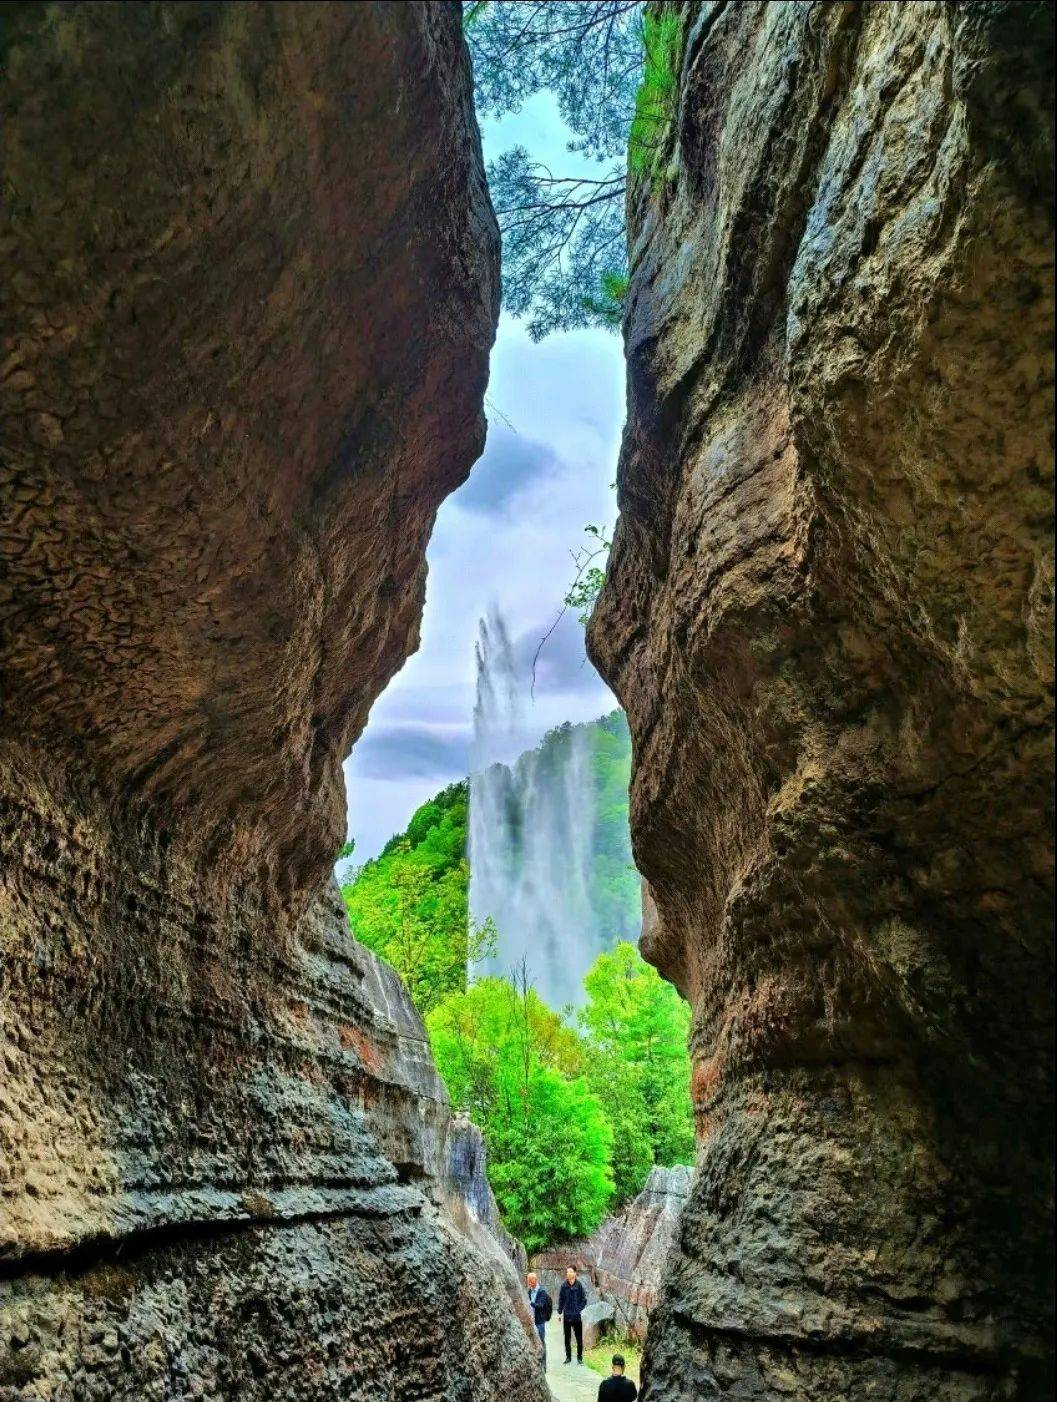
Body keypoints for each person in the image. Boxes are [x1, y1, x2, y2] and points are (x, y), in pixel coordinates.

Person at [557, 1265, 587, 1365]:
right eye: (567, 1272)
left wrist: (578, 1309)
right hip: (567, 1316)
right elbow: (561, 1300)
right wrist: (559, 1312)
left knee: (579, 1338)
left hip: (576, 1317)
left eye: (570, 1272)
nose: (568, 1274)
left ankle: (579, 1358)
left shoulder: (579, 1285)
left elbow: (584, 1299)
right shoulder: (563, 1286)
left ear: (575, 1273)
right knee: (567, 1338)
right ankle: (568, 1357)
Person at [526, 1272, 552, 1366]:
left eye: (530, 1280)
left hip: (540, 1322)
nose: (528, 1282)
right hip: (532, 1321)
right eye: (528, 1280)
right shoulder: (529, 1291)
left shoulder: (542, 1291)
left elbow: (540, 1305)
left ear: (535, 1280)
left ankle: (543, 1365)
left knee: (541, 1342)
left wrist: (529, 1302)